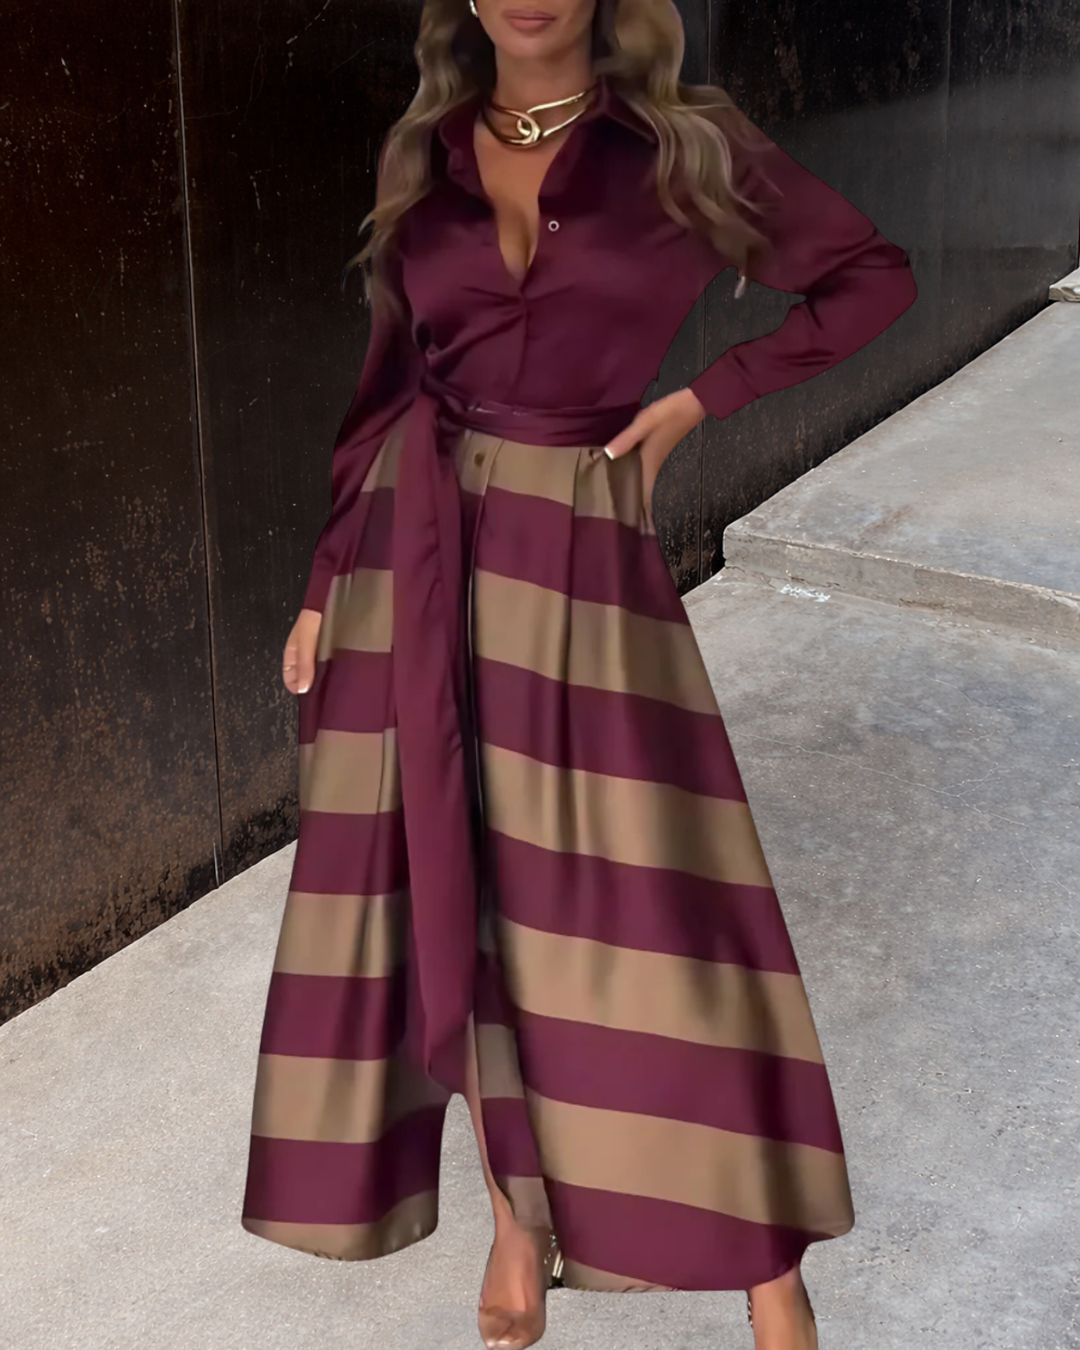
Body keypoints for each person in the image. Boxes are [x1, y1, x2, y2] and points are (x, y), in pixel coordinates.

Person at [241, 2, 917, 1347]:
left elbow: (869, 278)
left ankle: (765, 1260)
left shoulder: (685, 146)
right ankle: (518, 1211)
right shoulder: (424, 149)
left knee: (656, 907)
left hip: (579, 559)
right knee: (459, 891)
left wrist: (702, 399)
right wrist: (324, 580)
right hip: (410, 561)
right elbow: (386, 389)